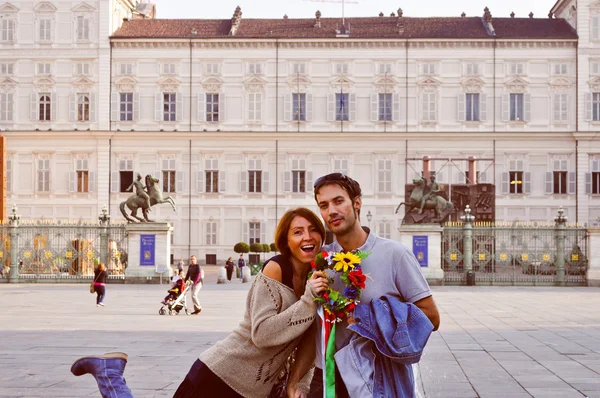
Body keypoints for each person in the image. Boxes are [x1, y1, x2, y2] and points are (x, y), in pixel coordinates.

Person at [70, 207, 330, 398]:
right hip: (219, 376)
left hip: (254, 390)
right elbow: (261, 334)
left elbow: (308, 336)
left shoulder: (316, 277)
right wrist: (308, 299)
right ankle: (111, 377)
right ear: (285, 241)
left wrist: (299, 383)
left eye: (313, 230)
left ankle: (111, 373)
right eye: (298, 232)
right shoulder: (275, 269)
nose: (307, 237)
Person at [309, 173, 441, 398]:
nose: (331, 211)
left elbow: (431, 318)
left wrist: (367, 317)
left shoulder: (394, 254)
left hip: (379, 377)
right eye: (324, 205)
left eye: (338, 201)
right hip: (328, 377)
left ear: (357, 202)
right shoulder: (321, 260)